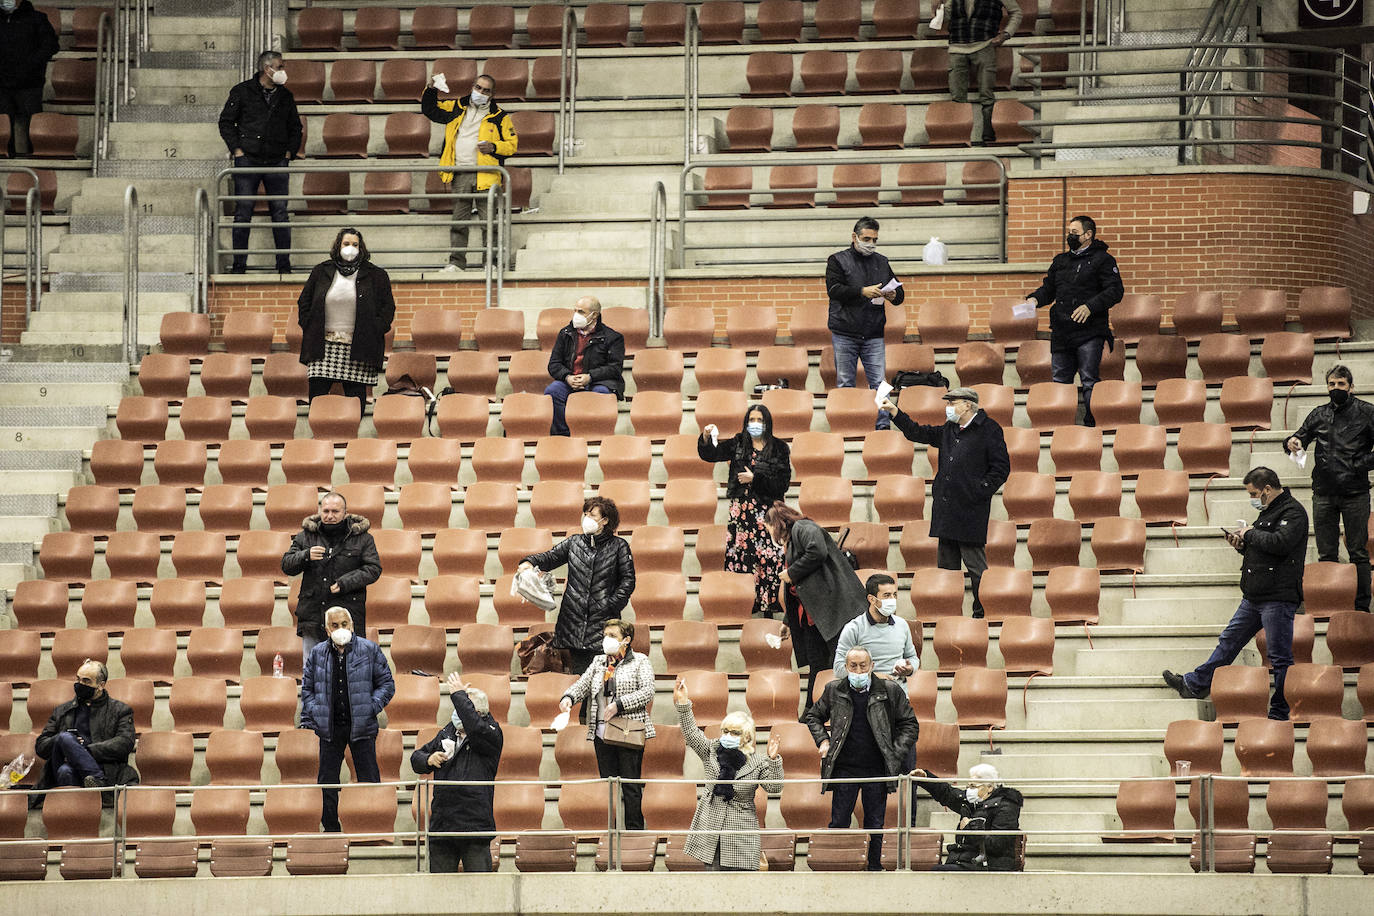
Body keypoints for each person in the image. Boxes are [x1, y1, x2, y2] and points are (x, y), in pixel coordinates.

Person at [1163, 467, 1308, 720]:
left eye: (1253, 493)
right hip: (1255, 595)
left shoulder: (1293, 512)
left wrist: (1249, 534)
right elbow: (1266, 548)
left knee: (1279, 657)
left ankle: (1280, 711)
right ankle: (1194, 685)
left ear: (1267, 489)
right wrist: (1242, 546)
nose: (1252, 498)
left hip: (1278, 596)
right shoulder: (1268, 512)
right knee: (1228, 641)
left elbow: (1281, 544)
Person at [882, 386, 1010, 618]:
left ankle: (982, 611)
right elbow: (918, 433)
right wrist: (894, 412)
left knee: (975, 565)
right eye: (948, 403)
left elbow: (1001, 468)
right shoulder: (950, 429)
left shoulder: (989, 429)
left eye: (953, 403)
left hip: (971, 509)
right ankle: (949, 612)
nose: (948, 407)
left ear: (968, 405)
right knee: (946, 567)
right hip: (947, 508)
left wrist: (979, 491)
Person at [803, 646, 919, 871]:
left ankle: (874, 867)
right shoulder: (833, 689)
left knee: (875, 824)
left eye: (862, 665)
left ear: (872, 666)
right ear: (845, 668)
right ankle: (838, 867)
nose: (858, 670)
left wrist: (894, 752)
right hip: (844, 769)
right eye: (853, 666)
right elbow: (813, 716)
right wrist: (823, 741)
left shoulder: (890, 690)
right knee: (838, 823)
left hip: (877, 768)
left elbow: (910, 724)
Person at [1019, 214, 1124, 427]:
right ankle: (1062, 424)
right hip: (1062, 330)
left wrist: (1090, 307)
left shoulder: (1103, 260)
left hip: (1090, 331)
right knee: (1060, 381)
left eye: (1075, 233)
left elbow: (1115, 291)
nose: (1070, 236)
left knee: (1089, 380)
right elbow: (1049, 289)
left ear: (1088, 235)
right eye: (1069, 232)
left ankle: (1093, 423)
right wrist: (1034, 300)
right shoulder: (1061, 261)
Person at [1284, 364, 1374, 612]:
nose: (1336, 388)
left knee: (1358, 553)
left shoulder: (1367, 412)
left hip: (1355, 492)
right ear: (1327, 387)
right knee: (1326, 553)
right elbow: (1299, 436)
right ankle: (1331, 602)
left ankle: (1360, 606)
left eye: (1341, 384)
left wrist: (1358, 464)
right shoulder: (1319, 414)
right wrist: (1292, 441)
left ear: (1351, 387)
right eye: (1332, 384)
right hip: (1323, 493)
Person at [764, 502, 866, 711]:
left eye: (768, 527)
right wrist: (788, 621)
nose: (768, 532)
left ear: (776, 522)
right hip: (813, 618)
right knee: (817, 666)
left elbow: (817, 551)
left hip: (833, 612)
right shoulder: (793, 539)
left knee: (836, 663)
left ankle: (833, 711)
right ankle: (813, 712)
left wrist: (792, 573)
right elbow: (800, 590)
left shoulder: (804, 528)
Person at [301, 607, 395, 832]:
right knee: (328, 782)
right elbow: (307, 689)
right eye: (335, 625)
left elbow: (387, 684)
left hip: (362, 726)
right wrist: (317, 710)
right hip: (330, 728)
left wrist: (371, 706)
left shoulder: (369, 650)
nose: (340, 629)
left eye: (344, 624)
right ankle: (331, 829)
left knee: (369, 780)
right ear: (326, 629)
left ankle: (373, 828)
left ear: (352, 625)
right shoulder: (317, 653)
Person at [674, 679, 783, 871]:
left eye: (734, 732)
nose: (727, 736)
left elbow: (774, 787)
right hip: (712, 829)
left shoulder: (757, 761)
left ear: (747, 736)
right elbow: (691, 733)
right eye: (725, 731)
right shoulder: (711, 749)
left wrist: (774, 761)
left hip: (741, 832)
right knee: (714, 886)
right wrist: (683, 704)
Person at [558, 618, 655, 831]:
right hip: (602, 733)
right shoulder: (598, 662)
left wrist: (619, 704)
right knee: (608, 787)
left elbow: (647, 692)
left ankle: (633, 833)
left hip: (628, 731)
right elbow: (582, 684)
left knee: (630, 786)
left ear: (626, 640)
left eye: (613, 636)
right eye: (605, 635)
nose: (606, 640)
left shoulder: (640, 661)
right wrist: (568, 698)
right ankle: (611, 833)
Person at [519, 496, 635, 674]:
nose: (587, 518)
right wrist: (528, 561)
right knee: (580, 681)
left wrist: (610, 605)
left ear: (605, 520)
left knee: (602, 680)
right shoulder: (574, 542)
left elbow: (628, 581)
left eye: (592, 515)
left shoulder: (619, 546)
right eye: (586, 513)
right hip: (573, 623)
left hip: (603, 625)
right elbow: (550, 557)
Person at [420, 69, 518, 271]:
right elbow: (430, 109)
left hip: (488, 175)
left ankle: (491, 263)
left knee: (489, 223)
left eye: (486, 90)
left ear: (492, 94)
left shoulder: (500, 116)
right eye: (478, 87)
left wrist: (494, 147)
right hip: (460, 173)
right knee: (459, 222)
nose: (480, 92)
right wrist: (431, 88)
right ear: (472, 87)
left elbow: (512, 145)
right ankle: (456, 263)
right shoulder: (456, 107)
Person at [699, 404, 791, 616]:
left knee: (769, 557)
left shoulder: (779, 448)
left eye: (760, 420)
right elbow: (712, 454)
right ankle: (744, 603)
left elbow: (782, 484)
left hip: (769, 512)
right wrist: (705, 436)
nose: (755, 424)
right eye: (752, 419)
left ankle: (769, 605)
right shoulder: (739, 442)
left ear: (767, 423)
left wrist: (755, 478)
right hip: (742, 512)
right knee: (742, 555)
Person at [294, 227, 396, 418]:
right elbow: (304, 302)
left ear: (362, 248)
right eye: (346, 244)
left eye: (355, 245)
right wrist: (308, 325)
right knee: (318, 400)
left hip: (359, 346)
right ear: (338, 246)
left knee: (355, 403)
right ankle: (320, 437)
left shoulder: (376, 275)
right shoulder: (321, 271)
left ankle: (351, 439)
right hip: (322, 346)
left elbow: (388, 308)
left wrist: (376, 329)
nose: (350, 248)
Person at [217, 50, 303, 274]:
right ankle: (239, 267)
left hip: (276, 160)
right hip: (248, 160)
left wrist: (288, 154)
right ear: (268, 69)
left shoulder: (286, 96)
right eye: (280, 66)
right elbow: (226, 122)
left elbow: (296, 128)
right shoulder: (242, 91)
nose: (283, 71)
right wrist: (237, 150)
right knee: (243, 212)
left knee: (280, 213)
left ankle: (284, 266)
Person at [411, 673, 503, 873]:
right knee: (440, 891)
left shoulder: (491, 732)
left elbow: (476, 728)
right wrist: (428, 759)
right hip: (443, 824)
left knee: (480, 890)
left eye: (461, 709)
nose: (457, 715)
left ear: (478, 713)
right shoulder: (447, 732)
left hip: (475, 825)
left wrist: (459, 694)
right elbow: (416, 758)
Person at [825, 216, 905, 430]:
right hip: (845, 332)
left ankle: (882, 426)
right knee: (845, 384)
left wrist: (892, 295)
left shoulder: (882, 261)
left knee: (880, 384)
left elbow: (899, 295)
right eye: (866, 238)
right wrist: (862, 292)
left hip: (874, 332)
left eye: (874, 239)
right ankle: (848, 426)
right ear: (854, 237)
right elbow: (834, 290)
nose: (870, 244)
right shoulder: (837, 260)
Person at [281, 491, 382, 656]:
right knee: (313, 672)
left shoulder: (363, 538)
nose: (329, 516)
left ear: (345, 513)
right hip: (313, 616)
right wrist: (305, 556)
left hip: (348, 616)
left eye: (335, 512)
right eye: (326, 511)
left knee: (350, 671)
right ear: (320, 511)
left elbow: (373, 569)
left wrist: (345, 582)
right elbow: (286, 565)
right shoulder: (306, 536)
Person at [32, 660, 137, 802]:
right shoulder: (62, 711)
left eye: (86, 681)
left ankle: (83, 807)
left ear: (101, 685)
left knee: (65, 772)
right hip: (65, 762)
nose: (80, 685)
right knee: (64, 738)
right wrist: (66, 744)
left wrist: (85, 750)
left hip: (104, 768)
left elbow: (125, 743)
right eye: (78, 679)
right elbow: (41, 746)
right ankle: (97, 779)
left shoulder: (120, 710)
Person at [933, 0, 1022, 145]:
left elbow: (1017, 12)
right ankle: (959, 133)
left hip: (984, 45)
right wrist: (937, 7)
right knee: (957, 95)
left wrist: (1006, 34)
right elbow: (946, 16)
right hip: (957, 46)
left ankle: (988, 134)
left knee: (986, 94)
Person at [912, 763, 1024, 871]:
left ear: (989, 787)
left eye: (973, 786)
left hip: (989, 864)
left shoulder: (1006, 806)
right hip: (965, 861)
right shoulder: (973, 801)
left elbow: (997, 844)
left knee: (936, 873)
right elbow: (947, 793)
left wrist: (969, 827)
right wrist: (925, 778)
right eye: (968, 786)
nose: (969, 790)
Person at [544, 296, 626, 437]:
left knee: (602, 394)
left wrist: (590, 376)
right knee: (553, 391)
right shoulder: (565, 333)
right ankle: (563, 435)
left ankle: (595, 435)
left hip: (599, 382)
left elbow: (615, 368)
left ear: (594, 315)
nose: (576, 315)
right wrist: (567, 377)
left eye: (581, 312)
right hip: (570, 381)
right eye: (575, 310)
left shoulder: (613, 337)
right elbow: (554, 364)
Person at [0, 0, 58, 157]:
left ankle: (34, 160)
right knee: (3, 127)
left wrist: (30, 65)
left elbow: (51, 45)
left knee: (33, 126)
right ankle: (7, 160)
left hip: (29, 83)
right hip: (2, 85)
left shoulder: (37, 19)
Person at [833, 574, 918, 680]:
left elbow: (912, 657)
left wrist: (910, 668)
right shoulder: (853, 628)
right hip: (866, 693)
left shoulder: (902, 625)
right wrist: (872, 677)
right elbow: (839, 669)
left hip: (898, 692)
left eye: (895, 595)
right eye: (887, 595)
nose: (892, 600)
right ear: (872, 599)